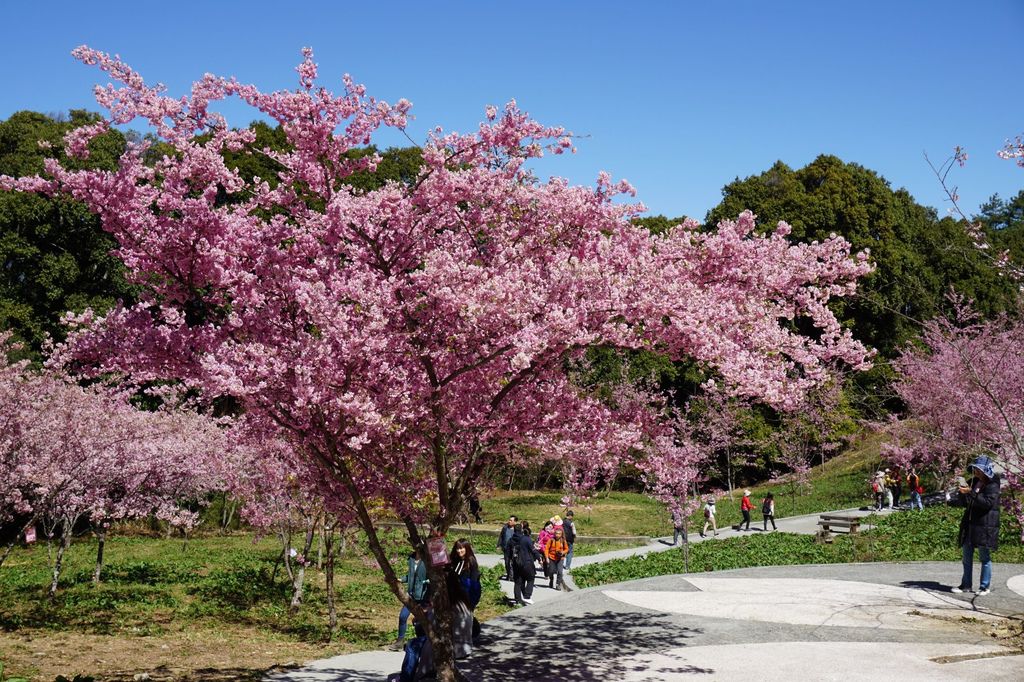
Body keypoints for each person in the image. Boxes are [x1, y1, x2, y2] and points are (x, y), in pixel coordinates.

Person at [948, 455, 1001, 596]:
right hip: (970, 525)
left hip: (985, 525)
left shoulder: (993, 485)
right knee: (966, 557)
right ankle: (966, 585)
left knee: (984, 557)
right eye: (975, 469)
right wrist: (960, 495)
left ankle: (984, 586)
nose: (976, 472)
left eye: (978, 470)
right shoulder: (974, 482)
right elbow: (967, 502)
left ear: (986, 470)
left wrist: (970, 493)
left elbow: (987, 503)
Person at [390, 545, 430, 651]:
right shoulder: (411, 558)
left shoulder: (428, 560)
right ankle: (400, 641)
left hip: (423, 596)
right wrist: (401, 579)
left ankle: (423, 642)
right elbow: (411, 576)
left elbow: (432, 576)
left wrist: (427, 583)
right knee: (403, 617)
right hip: (411, 595)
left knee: (421, 620)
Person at [511, 522, 540, 605]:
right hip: (526, 563)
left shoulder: (512, 539)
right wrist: (539, 558)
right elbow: (533, 550)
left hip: (516, 563)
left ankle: (517, 600)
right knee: (531, 579)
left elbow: (508, 551)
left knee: (518, 582)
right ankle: (527, 596)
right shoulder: (526, 539)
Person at [450, 538, 481, 610]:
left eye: (461, 548)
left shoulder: (471, 561)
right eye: (457, 548)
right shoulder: (457, 560)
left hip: (466, 598)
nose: (459, 551)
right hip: (456, 597)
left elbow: (474, 583)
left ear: (467, 548)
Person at [543, 525, 569, 590]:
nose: (557, 535)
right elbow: (546, 549)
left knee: (560, 572)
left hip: (560, 559)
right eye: (556, 533)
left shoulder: (563, 541)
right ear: (554, 533)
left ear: (561, 534)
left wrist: (563, 552)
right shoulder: (551, 540)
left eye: (559, 534)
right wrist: (546, 558)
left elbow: (566, 549)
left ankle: (558, 584)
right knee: (551, 571)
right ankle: (551, 580)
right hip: (551, 558)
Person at [497, 515, 516, 581]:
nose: (509, 521)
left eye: (511, 520)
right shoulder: (505, 528)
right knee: (507, 562)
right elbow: (501, 536)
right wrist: (498, 545)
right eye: (509, 520)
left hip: (514, 549)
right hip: (506, 548)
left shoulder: (517, 529)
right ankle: (509, 574)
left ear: (515, 522)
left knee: (513, 562)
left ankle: (512, 575)